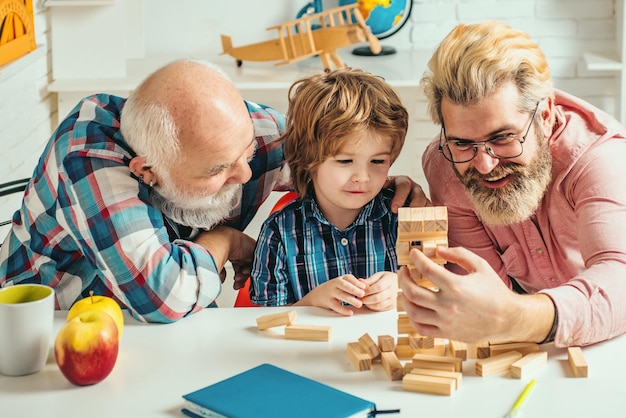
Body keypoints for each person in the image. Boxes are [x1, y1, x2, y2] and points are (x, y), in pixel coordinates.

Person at [0, 59, 426, 323]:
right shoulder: (87, 161)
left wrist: (393, 183)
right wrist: (227, 240)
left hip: (172, 326)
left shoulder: (250, 132)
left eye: (246, 152)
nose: (244, 174)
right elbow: (164, 296)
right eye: (219, 170)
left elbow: (328, 157)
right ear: (147, 170)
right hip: (45, 328)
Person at [399, 21, 626, 348]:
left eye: (503, 137)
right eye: (462, 143)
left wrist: (514, 318)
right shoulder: (446, 166)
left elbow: (619, 279)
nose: (484, 164)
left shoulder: (600, 159)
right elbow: (483, 299)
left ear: (545, 115)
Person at [250, 68, 408, 316]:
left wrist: (402, 288)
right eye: (345, 161)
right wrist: (312, 302)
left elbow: (440, 294)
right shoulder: (279, 233)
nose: (363, 177)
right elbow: (265, 320)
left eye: (377, 162)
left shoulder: (403, 218)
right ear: (307, 158)